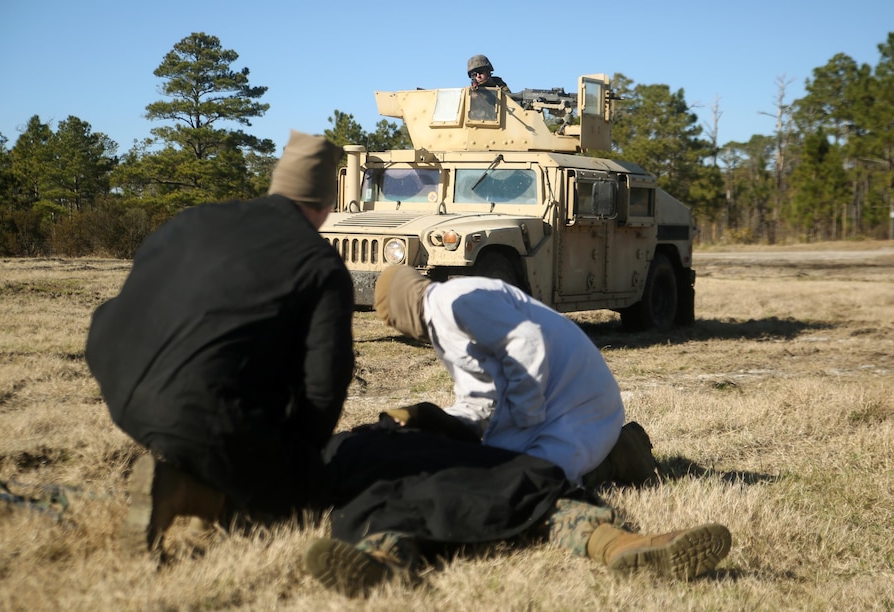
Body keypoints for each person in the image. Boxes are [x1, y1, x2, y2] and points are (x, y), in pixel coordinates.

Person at [85, 130, 354, 552]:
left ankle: (198, 472)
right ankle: (188, 493)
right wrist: (297, 464)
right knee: (299, 503)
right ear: (326, 205)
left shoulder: (195, 218)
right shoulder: (320, 264)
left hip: (120, 384)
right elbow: (325, 383)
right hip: (194, 410)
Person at [303, 423, 733, 597]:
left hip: (407, 489)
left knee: (387, 516)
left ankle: (384, 560)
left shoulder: (342, 447)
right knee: (543, 496)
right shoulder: (357, 443)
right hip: (478, 473)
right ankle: (619, 543)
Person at [372, 265, 658, 486]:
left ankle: (622, 452)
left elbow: (526, 341)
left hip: (578, 403)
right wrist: (438, 424)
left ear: (401, 309)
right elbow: (479, 398)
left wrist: (524, 418)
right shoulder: (444, 322)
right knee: (506, 475)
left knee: (535, 480)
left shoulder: (453, 300)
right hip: (559, 403)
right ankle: (606, 452)